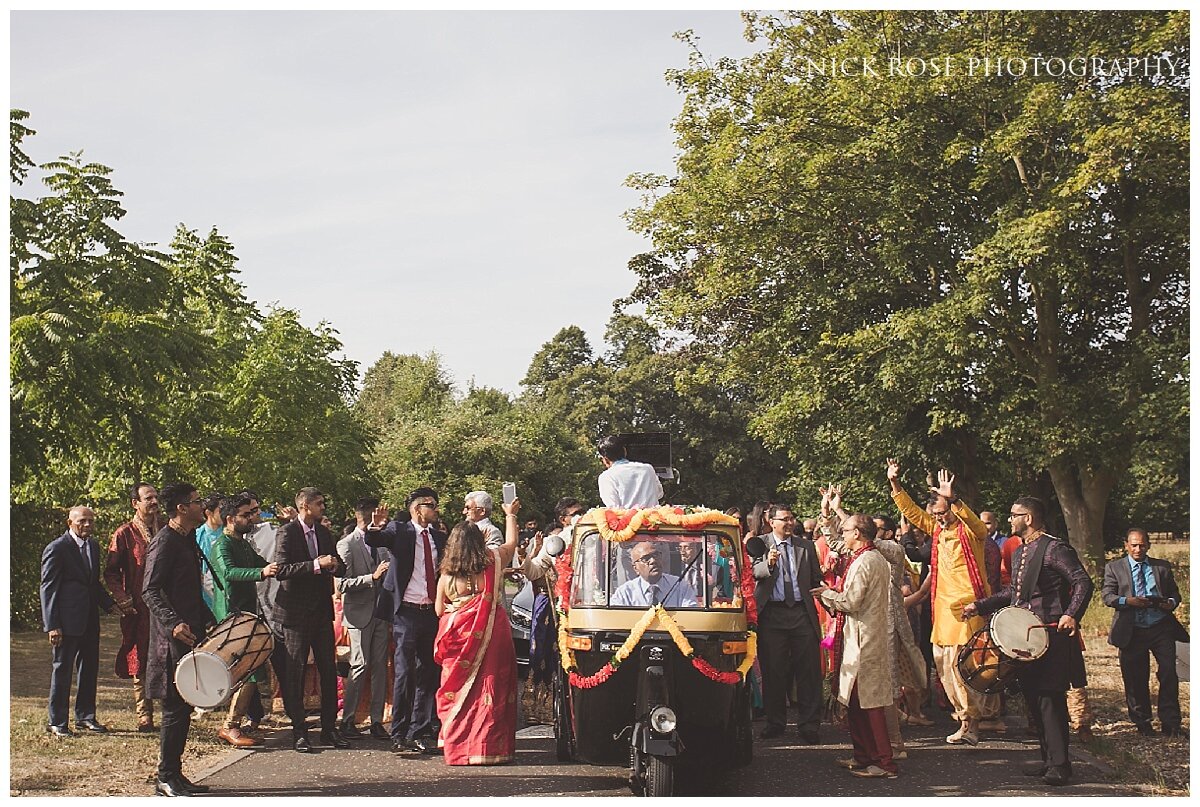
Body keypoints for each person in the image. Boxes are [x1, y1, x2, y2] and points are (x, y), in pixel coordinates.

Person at [963, 497, 1093, 786]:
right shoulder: (1021, 552)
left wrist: (1071, 614)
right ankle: (1049, 760)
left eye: (1014, 515)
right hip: (1027, 637)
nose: (1009, 520)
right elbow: (1015, 594)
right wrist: (980, 606)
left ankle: (1060, 765)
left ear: (1029, 518)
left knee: (1050, 698)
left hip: (1052, 635)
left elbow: (1083, 581)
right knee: (1035, 698)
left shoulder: (1054, 548)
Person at [887, 458, 990, 746]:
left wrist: (952, 497)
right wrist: (895, 483)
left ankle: (973, 723)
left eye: (944, 513)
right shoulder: (937, 531)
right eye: (936, 514)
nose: (939, 518)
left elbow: (973, 521)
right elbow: (912, 513)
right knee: (943, 667)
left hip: (967, 608)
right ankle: (962, 719)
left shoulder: (971, 534)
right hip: (942, 610)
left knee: (963, 667)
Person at [432, 499, 523, 764]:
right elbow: (511, 544)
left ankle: (458, 746)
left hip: (459, 639)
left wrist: (460, 610)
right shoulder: (493, 561)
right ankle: (488, 749)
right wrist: (510, 516)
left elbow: (439, 610)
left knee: (459, 690)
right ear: (480, 540)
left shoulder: (447, 575)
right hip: (493, 633)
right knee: (491, 686)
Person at [143, 483, 217, 796]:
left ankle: (176, 774)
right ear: (181, 509)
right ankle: (164, 777)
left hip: (190, 633)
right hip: (171, 639)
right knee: (174, 707)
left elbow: (189, 590)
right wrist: (173, 623)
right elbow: (150, 590)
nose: (203, 506)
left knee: (184, 706)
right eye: (197, 502)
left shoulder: (186, 540)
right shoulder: (165, 541)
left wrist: (209, 619)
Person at [813, 514, 897, 779]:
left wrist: (825, 593)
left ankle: (884, 763)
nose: (843, 534)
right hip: (863, 636)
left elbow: (851, 602)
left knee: (869, 702)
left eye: (846, 530)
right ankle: (864, 755)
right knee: (857, 700)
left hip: (864, 640)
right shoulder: (870, 558)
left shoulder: (865, 561)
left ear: (858, 533)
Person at [365, 487, 448, 754]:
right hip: (406, 612)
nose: (435, 509)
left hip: (431, 612)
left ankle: (421, 730)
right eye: (431, 505)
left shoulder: (438, 537)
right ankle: (399, 733)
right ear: (416, 508)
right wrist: (375, 527)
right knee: (404, 673)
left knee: (428, 672)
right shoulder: (399, 531)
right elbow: (375, 540)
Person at [273, 487, 349, 753]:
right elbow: (281, 570)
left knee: (329, 670)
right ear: (305, 506)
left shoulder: (324, 532)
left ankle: (329, 729)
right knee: (295, 672)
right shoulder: (287, 532)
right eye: (319, 503)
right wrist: (316, 565)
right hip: (294, 614)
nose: (323, 507)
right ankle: (299, 731)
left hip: (320, 612)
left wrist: (336, 565)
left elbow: (338, 563)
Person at [41, 505, 122, 737]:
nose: (87, 525)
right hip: (66, 623)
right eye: (82, 521)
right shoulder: (57, 548)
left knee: (89, 670)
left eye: (90, 521)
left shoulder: (93, 547)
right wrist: (52, 624)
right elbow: (48, 588)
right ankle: (57, 721)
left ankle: (85, 717)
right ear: (70, 523)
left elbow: (92, 583)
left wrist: (109, 605)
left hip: (89, 620)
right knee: (62, 670)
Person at [1102, 528, 1187, 738]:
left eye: (1141, 545)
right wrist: (1127, 601)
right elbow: (1107, 596)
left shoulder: (1162, 567)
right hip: (1132, 629)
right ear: (1126, 545)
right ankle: (1142, 722)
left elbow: (1175, 593)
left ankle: (1171, 723)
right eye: (1134, 545)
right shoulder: (1115, 567)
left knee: (1168, 673)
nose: (1138, 549)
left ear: (1148, 545)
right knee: (1135, 677)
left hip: (1160, 627)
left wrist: (1171, 603)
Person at [210, 492, 278, 747]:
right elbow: (229, 572)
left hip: (248, 614)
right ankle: (230, 726)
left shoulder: (243, 543)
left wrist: (283, 567)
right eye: (245, 515)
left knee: (252, 669)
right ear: (230, 518)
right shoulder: (222, 545)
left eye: (251, 513)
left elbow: (264, 563)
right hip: (231, 615)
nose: (251, 518)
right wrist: (261, 572)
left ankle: (241, 722)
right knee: (246, 672)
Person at [752, 503, 823, 744]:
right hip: (772, 614)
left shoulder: (805, 546)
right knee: (774, 671)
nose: (790, 523)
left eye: (792, 518)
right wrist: (769, 564)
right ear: (771, 522)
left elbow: (815, 578)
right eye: (784, 519)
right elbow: (752, 573)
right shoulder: (758, 543)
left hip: (801, 613)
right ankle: (775, 723)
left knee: (809, 671)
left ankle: (809, 724)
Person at [521, 497, 585, 724]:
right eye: (575, 513)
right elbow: (535, 571)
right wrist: (525, 558)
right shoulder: (555, 542)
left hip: (585, 608)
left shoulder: (594, 537)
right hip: (554, 607)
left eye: (582, 511)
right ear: (563, 519)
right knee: (545, 655)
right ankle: (543, 707)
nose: (580, 516)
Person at [104, 482, 160, 732]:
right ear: (135, 503)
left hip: (164, 606)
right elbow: (111, 572)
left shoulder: (167, 529)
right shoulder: (124, 533)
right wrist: (122, 598)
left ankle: (175, 709)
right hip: (138, 607)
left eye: (156, 497)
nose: (154, 502)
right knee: (140, 657)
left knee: (167, 656)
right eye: (148, 498)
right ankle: (144, 714)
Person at [336, 497, 392, 739]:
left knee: (381, 666)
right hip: (358, 613)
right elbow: (342, 584)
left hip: (381, 612)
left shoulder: (381, 543)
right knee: (359, 665)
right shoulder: (346, 545)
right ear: (367, 517)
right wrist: (372, 577)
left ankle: (377, 720)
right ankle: (347, 720)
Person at [611, 541, 698, 608]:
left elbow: (691, 617)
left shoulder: (680, 587)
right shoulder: (625, 592)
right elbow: (615, 620)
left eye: (656, 555)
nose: (653, 561)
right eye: (646, 558)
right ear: (635, 568)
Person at [596, 434, 663, 509]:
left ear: (605, 459)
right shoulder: (648, 468)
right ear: (625, 451)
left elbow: (614, 507)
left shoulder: (606, 477)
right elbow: (659, 493)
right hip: (653, 519)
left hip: (626, 520)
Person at [195, 492, 224, 612]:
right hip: (205, 597)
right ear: (208, 513)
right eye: (221, 510)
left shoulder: (230, 533)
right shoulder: (197, 536)